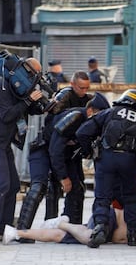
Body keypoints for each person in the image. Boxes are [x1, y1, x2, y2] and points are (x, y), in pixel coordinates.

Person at [16, 92, 110, 243]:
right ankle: (21, 233)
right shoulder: (74, 117)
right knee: (38, 188)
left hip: (66, 157)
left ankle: (70, 232)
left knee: (77, 189)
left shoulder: (95, 126)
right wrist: (63, 177)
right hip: (44, 151)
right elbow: (54, 148)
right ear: (91, 110)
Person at [76, 89, 136, 248]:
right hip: (129, 161)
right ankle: (133, 235)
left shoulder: (108, 113)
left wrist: (89, 152)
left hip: (106, 158)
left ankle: (100, 228)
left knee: (102, 197)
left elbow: (82, 132)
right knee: (130, 197)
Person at [0, 57, 45, 241]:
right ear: (23, 69)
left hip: (3, 142)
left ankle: (2, 228)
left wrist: (42, 105)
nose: (33, 78)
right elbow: (7, 115)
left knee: (13, 185)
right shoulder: (2, 87)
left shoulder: (18, 88)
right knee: (0, 184)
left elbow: (25, 109)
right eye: (32, 74)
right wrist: (28, 100)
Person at [3, 195, 136, 245]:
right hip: (109, 219)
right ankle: (63, 222)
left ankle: (15, 233)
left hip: (108, 238)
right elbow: (126, 199)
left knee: (59, 237)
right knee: (90, 238)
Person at [42, 70, 93, 222]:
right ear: (72, 84)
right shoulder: (64, 96)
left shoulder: (88, 100)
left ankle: (72, 221)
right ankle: (50, 223)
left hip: (72, 148)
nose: (84, 91)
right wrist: (63, 137)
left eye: (86, 88)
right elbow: (51, 121)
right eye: (81, 88)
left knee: (77, 186)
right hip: (56, 143)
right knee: (54, 187)